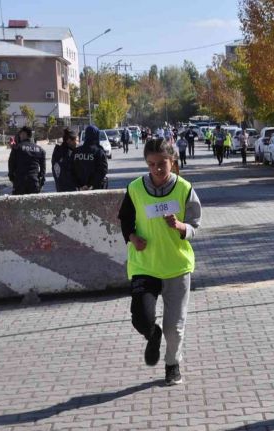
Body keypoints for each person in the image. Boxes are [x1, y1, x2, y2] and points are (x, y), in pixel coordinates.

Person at [117, 137, 202, 386]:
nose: (156, 169)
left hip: (176, 266)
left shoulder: (184, 188)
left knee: (174, 327)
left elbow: (195, 227)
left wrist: (179, 225)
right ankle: (152, 335)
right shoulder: (135, 188)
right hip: (145, 264)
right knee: (141, 318)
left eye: (161, 163)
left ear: (172, 161)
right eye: (151, 164)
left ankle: (172, 364)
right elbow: (125, 220)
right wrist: (133, 237)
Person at [8, 126, 45, 195]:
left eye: (20, 134)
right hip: (34, 182)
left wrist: (12, 178)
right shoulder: (40, 150)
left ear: (24, 134)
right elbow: (43, 170)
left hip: (20, 182)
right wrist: (40, 182)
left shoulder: (17, 148)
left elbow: (11, 164)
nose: (19, 136)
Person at [72, 125, 109, 190]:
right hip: (95, 188)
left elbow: (71, 170)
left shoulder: (76, 151)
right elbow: (103, 170)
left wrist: (80, 186)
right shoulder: (99, 152)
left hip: (79, 189)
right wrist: (90, 185)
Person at [52, 128, 78, 192]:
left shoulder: (57, 151)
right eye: (76, 140)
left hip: (59, 189)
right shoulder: (70, 154)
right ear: (69, 140)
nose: (77, 143)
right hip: (70, 191)